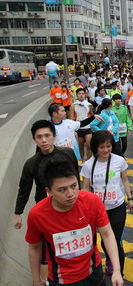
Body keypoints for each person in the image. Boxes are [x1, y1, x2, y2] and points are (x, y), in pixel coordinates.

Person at [25, 161, 124, 286]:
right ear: (48, 191)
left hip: (94, 274)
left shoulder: (92, 202)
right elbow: (34, 247)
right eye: (62, 190)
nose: (70, 194)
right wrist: (36, 280)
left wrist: (116, 270)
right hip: (61, 280)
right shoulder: (37, 214)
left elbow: (107, 234)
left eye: (74, 186)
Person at [13, 120, 79, 283]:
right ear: (34, 140)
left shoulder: (67, 153)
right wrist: (18, 213)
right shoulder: (31, 164)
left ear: (54, 136)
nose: (44, 140)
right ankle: (45, 280)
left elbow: (75, 179)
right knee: (44, 249)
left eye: (47, 136)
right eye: (39, 137)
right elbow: (24, 188)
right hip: (45, 211)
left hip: (70, 207)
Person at [81, 131, 133, 276]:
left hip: (117, 207)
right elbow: (85, 188)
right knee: (105, 242)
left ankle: (120, 275)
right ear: (95, 148)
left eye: (108, 146)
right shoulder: (88, 166)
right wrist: (85, 209)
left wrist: (130, 198)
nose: (106, 150)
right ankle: (111, 259)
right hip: (98, 211)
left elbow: (124, 180)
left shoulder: (119, 161)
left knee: (116, 242)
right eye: (102, 147)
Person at [69, 88, 94, 161]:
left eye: (83, 94)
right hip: (78, 128)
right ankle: (83, 160)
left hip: (88, 128)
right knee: (80, 146)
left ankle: (89, 160)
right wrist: (73, 130)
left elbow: (92, 116)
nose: (81, 95)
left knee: (89, 146)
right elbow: (71, 118)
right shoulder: (73, 106)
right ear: (76, 95)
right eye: (79, 94)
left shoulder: (89, 105)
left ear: (85, 95)